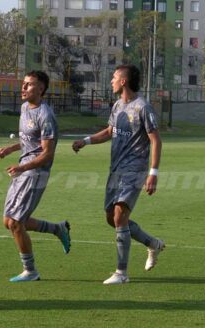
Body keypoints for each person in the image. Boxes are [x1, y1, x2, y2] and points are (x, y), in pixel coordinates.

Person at [72, 64, 164, 285]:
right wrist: (85, 141)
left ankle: (121, 273)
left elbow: (155, 140)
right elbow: (109, 132)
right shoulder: (116, 106)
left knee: (120, 215)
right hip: (116, 170)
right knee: (111, 219)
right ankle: (153, 243)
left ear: (123, 81)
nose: (111, 81)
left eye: (114, 77)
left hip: (135, 169)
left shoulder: (143, 107)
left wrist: (153, 173)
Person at [0, 71, 72, 282]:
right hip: (23, 168)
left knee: (15, 223)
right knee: (8, 221)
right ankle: (57, 228)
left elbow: (47, 153)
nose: (24, 88)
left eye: (29, 85)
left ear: (41, 89)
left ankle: (30, 271)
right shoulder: (24, 108)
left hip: (36, 172)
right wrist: (11, 149)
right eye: (24, 84)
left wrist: (23, 167)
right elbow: (29, 140)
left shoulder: (45, 115)